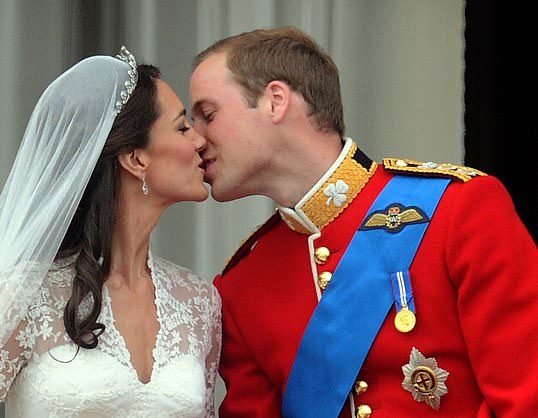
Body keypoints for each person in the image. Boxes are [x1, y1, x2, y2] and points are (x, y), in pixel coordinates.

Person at [189, 27, 538, 418]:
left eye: (208, 115)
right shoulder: (241, 286)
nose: (195, 140)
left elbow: (527, 398)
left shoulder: (458, 209)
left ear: (275, 101)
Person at [0, 47, 221, 417]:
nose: (199, 141)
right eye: (182, 126)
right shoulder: (25, 296)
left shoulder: (200, 302)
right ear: (136, 159)